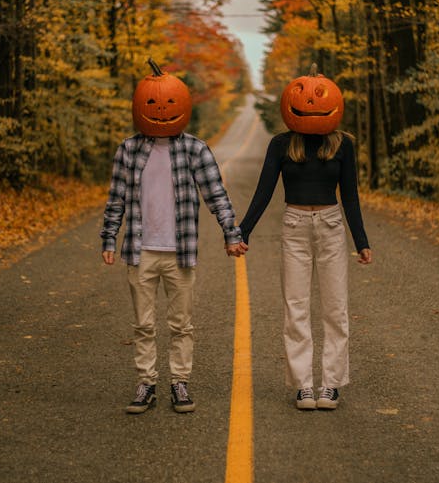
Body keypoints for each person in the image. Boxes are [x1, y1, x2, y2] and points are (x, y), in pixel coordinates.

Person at [101, 60, 245, 415]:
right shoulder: (128, 150)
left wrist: (231, 233)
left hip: (180, 251)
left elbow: (216, 194)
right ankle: (146, 383)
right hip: (140, 250)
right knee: (143, 323)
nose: (161, 109)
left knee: (181, 324)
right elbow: (116, 198)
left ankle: (179, 381)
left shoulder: (195, 150)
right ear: (141, 106)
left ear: (183, 105)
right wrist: (109, 238)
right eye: (152, 103)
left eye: (168, 103)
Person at [237, 68, 372, 410]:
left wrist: (361, 240)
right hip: (295, 227)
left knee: (335, 308)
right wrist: (242, 232)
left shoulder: (343, 144)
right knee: (296, 308)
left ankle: (331, 383)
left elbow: (351, 196)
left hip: (330, 226)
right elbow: (264, 191)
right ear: (291, 104)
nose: (311, 103)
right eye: (304, 97)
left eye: (320, 97)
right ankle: (303, 385)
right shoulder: (281, 144)